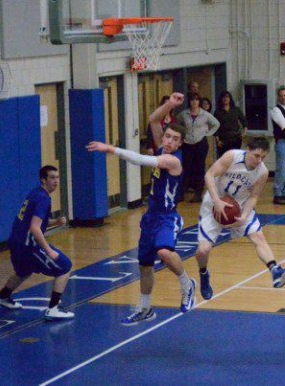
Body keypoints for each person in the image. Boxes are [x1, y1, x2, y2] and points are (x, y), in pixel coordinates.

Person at [87, 93, 197, 324]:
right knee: (145, 266)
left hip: (167, 217)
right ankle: (145, 308)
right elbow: (153, 120)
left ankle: (187, 284)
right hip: (150, 218)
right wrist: (170, 105)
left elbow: (140, 160)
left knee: (165, 252)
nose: (167, 141)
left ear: (180, 143)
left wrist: (111, 149)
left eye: (173, 139)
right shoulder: (162, 149)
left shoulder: (174, 160)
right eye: (166, 137)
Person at [194, 137, 285, 300]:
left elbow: (254, 197)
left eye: (263, 157)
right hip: (215, 203)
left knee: (258, 237)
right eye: (256, 155)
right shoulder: (232, 156)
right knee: (202, 250)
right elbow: (209, 175)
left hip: (239, 205)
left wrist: (244, 216)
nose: (259, 160)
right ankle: (204, 273)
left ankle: (275, 270)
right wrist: (217, 201)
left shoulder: (262, 172)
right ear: (247, 149)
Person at [0, 165, 74, 320]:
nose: (56, 181)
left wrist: (55, 221)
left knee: (23, 271)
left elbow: (35, 222)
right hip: (29, 246)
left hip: (15, 242)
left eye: (57, 177)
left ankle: (3, 297)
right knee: (65, 267)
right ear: (43, 179)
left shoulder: (34, 194)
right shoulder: (43, 198)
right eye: (52, 178)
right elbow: (35, 228)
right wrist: (49, 251)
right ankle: (53, 309)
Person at [176, 93, 220, 202]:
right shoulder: (183, 114)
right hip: (187, 143)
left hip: (200, 143)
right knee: (185, 168)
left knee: (199, 168)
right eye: (192, 100)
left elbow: (216, 124)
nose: (194, 102)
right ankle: (181, 193)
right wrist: (181, 135)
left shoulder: (205, 114)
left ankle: (198, 194)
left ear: (199, 102)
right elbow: (177, 123)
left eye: (196, 100)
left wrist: (208, 133)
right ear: (189, 102)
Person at [214, 90, 248, 157]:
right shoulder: (217, 112)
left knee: (234, 159)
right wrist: (217, 140)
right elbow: (215, 128)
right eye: (223, 97)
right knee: (224, 160)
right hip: (223, 140)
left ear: (230, 99)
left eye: (227, 97)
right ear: (221, 99)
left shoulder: (236, 109)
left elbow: (244, 120)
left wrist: (245, 132)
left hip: (236, 139)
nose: (225, 99)